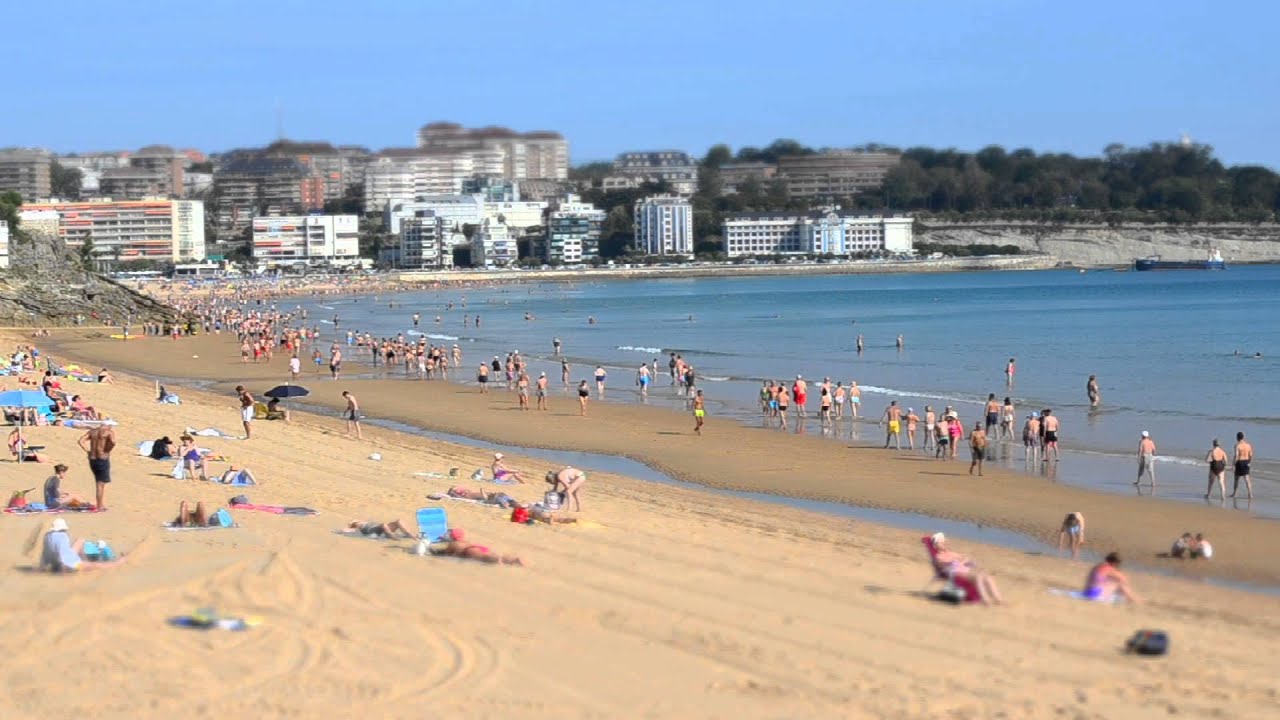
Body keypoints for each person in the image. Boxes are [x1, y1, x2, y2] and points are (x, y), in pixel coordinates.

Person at [929, 533, 1003, 605]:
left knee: (987, 577)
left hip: (965, 569)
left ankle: (998, 599)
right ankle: (985, 599)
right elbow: (945, 565)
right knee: (978, 577)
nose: (944, 543)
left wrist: (964, 559)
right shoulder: (938, 557)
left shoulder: (951, 553)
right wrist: (959, 561)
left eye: (944, 541)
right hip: (955, 572)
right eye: (941, 542)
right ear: (935, 545)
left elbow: (963, 557)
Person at [39, 518, 122, 572]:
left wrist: (43, 566)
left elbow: (45, 553)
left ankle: (84, 560)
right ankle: (117, 563)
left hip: (54, 564)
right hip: (67, 565)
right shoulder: (63, 536)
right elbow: (64, 556)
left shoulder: (47, 536)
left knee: (80, 541)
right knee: (96, 565)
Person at [427, 528, 525, 566]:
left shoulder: (454, 544)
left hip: (469, 551)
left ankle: (498, 560)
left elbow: (446, 553)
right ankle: (513, 560)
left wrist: (433, 551)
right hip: (477, 547)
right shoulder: (464, 541)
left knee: (483, 557)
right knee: (487, 554)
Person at [77, 424, 114, 510]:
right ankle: (100, 505)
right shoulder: (108, 432)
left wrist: (88, 451)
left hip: (92, 459)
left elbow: (81, 441)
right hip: (102, 458)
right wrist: (107, 450)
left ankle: (100, 504)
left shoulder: (92, 432)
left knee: (98, 482)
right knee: (100, 484)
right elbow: (113, 442)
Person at [345, 518, 417, 539]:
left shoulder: (365, 522)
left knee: (399, 521)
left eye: (357, 522)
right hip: (379, 531)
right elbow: (347, 530)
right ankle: (393, 537)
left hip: (382, 527)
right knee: (384, 525)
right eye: (355, 523)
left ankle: (409, 534)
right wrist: (351, 526)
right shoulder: (359, 529)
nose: (357, 523)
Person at [1232, 432, 1253, 500]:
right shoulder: (1248, 445)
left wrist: (1233, 464)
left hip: (1239, 462)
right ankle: (1250, 494)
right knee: (1247, 479)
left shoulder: (1237, 445)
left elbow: (1236, 455)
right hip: (1246, 461)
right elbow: (1251, 455)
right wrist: (1249, 462)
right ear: (1243, 437)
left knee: (1236, 479)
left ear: (1237, 438)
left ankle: (1235, 493)